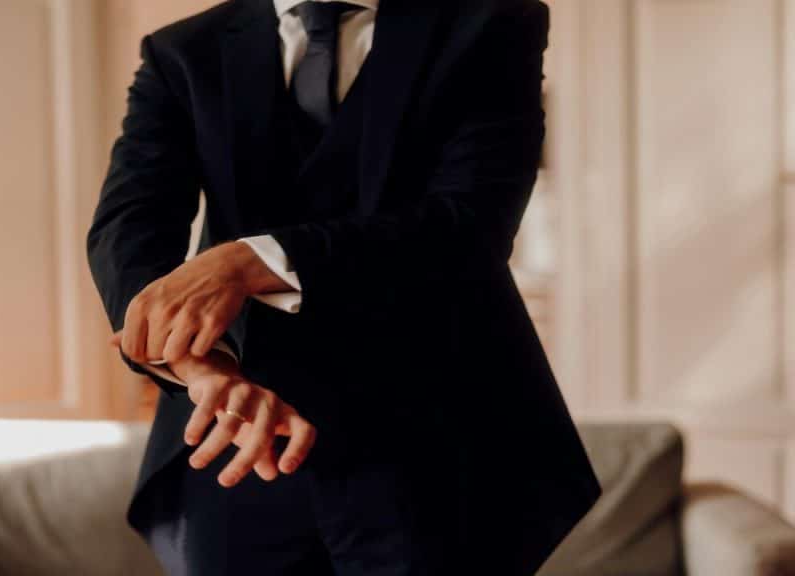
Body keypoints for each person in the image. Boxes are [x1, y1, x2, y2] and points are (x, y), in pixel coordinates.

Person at [87, 0, 601, 573]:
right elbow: (128, 227)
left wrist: (249, 261)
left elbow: (472, 223)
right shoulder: (181, 52)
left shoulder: (492, 24)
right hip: (235, 443)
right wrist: (201, 367)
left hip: (441, 449)